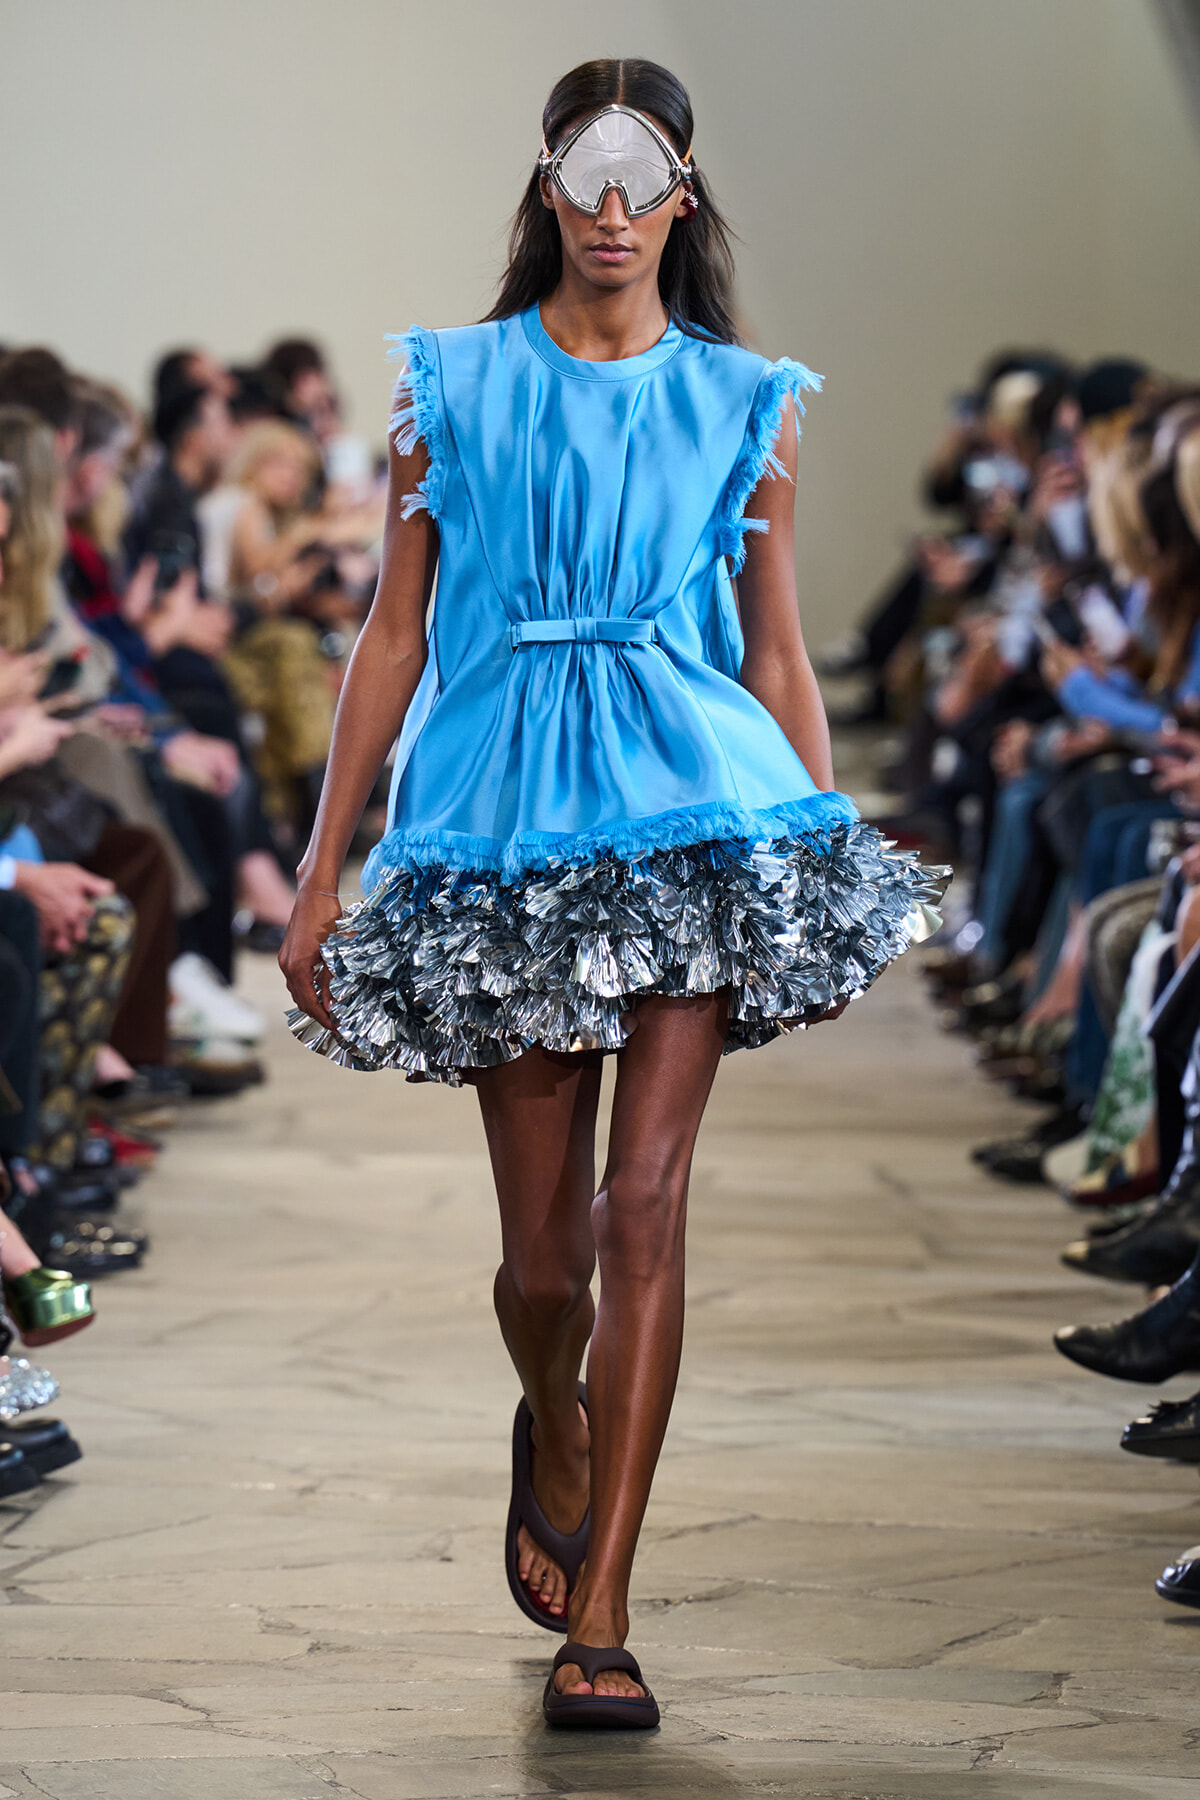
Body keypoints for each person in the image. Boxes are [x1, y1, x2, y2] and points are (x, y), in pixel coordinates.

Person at [280, 57, 942, 1730]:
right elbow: (395, 630)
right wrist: (316, 871)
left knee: (644, 1209)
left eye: (646, 182)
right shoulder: (452, 384)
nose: (618, 211)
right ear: (550, 191)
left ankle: (613, 1611)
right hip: (497, 808)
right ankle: (554, 1420)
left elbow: (779, 648)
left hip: (695, 799)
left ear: (686, 195)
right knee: (540, 1268)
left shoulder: (745, 397)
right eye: (591, 179)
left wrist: (830, 859)